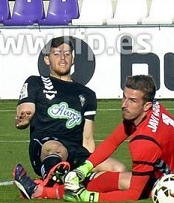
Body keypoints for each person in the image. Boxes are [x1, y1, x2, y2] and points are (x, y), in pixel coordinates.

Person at [12, 36, 126, 200]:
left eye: (67, 53)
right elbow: (26, 109)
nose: (62, 57)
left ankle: (60, 186)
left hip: (76, 151)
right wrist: (24, 118)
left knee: (118, 169)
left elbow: (87, 138)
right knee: (57, 149)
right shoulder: (36, 82)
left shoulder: (87, 94)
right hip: (46, 145)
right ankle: (49, 183)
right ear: (47, 59)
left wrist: (90, 164)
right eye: (56, 53)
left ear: (73, 59)